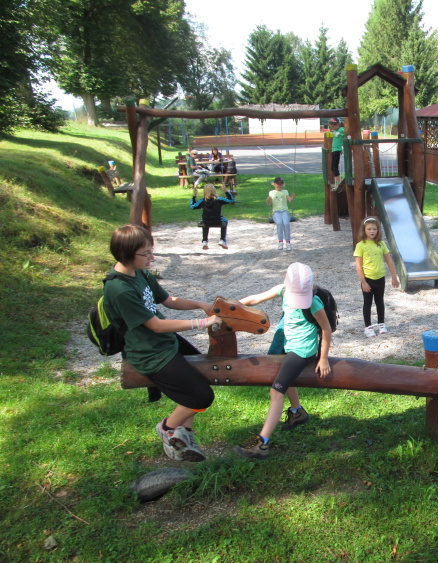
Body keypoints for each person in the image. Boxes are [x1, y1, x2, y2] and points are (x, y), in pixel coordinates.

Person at [103, 224, 222, 462]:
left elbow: (168, 300)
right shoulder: (119, 289)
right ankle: (168, 428)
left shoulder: (141, 273)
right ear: (127, 254)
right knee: (202, 397)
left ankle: (184, 434)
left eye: (152, 251)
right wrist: (201, 323)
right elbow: (155, 325)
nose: (152, 257)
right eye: (146, 253)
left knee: (205, 375)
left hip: (165, 342)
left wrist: (201, 304)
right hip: (149, 353)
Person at [234, 262, 332, 459]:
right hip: (289, 346)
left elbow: (326, 329)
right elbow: (255, 298)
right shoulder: (283, 290)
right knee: (285, 379)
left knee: (276, 390)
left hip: (303, 350)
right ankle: (297, 412)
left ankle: (262, 443)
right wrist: (232, 307)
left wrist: (323, 358)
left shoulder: (313, 302)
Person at [353, 217, 399, 337]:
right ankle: (368, 327)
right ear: (364, 230)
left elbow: (389, 261)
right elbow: (358, 266)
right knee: (367, 303)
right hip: (368, 279)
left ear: (378, 230)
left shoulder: (381, 244)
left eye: (374, 229)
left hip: (380, 278)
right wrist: (363, 282)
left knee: (380, 302)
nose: (372, 231)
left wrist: (394, 277)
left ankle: (381, 323)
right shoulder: (360, 245)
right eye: (369, 229)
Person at [191, 183, 235, 250]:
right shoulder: (219, 199)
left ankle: (205, 241)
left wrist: (194, 196)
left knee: (204, 221)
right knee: (225, 220)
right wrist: (225, 191)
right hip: (217, 221)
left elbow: (193, 206)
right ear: (214, 190)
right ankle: (222, 240)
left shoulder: (202, 201)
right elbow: (231, 200)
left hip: (206, 221)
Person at [267, 176, 295, 251]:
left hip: (284, 211)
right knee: (279, 223)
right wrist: (268, 200)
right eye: (278, 184)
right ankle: (280, 242)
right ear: (274, 184)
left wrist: (292, 197)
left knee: (286, 223)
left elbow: (290, 200)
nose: (279, 185)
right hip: (276, 212)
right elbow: (269, 204)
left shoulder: (285, 192)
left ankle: (288, 242)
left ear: (283, 184)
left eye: (281, 184)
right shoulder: (271, 192)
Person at [329, 118, 345, 190]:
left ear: (338, 124)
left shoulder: (341, 129)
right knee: (333, 167)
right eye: (331, 127)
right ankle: (338, 182)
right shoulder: (336, 131)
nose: (332, 128)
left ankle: (338, 184)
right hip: (334, 150)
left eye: (333, 126)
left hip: (337, 150)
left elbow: (345, 132)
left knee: (334, 167)